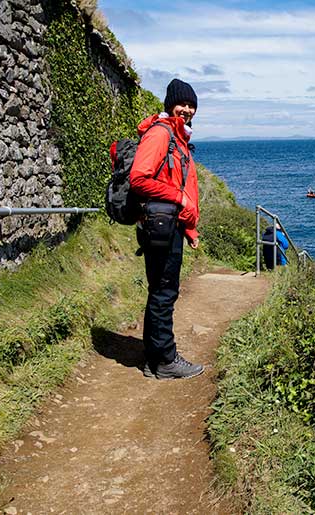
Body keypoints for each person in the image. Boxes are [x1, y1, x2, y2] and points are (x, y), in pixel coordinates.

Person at [129, 78, 203, 380]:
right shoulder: (161, 134)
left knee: (160, 290)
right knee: (164, 292)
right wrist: (179, 198)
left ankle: (154, 359)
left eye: (191, 105)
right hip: (161, 227)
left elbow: (176, 181)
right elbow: (139, 178)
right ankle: (166, 360)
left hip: (170, 225)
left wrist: (190, 229)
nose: (186, 109)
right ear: (169, 104)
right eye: (181, 103)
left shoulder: (177, 137)